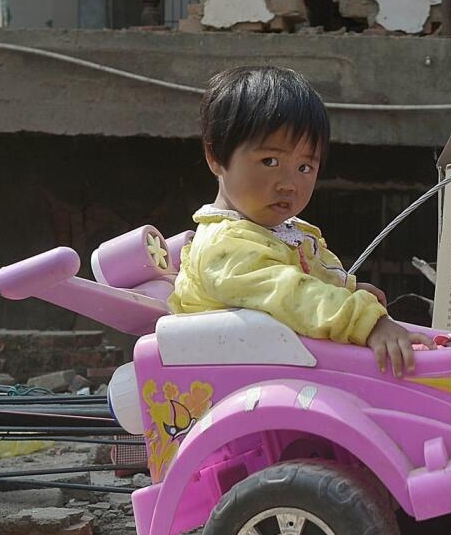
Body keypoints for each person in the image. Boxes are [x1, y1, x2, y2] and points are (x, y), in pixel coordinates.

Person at [169, 65, 433, 375]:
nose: (288, 183)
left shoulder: (281, 231)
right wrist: (365, 322)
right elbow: (290, 293)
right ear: (215, 156)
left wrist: (344, 287)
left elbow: (307, 283)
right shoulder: (225, 246)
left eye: (305, 167)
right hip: (241, 384)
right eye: (270, 161)